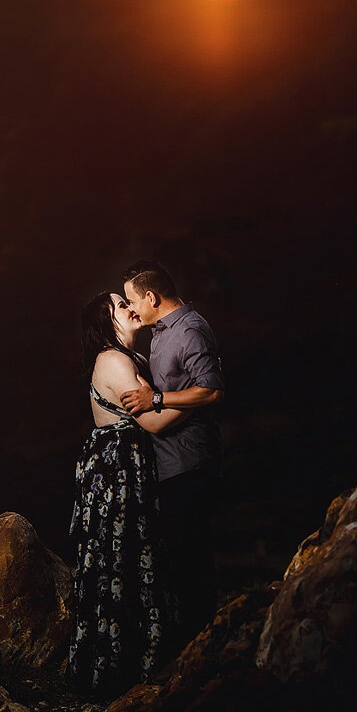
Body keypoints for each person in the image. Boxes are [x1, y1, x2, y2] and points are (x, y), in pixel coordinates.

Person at [68, 292, 185, 695]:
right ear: (107, 320)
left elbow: (154, 406)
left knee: (134, 554)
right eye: (120, 305)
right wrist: (202, 396)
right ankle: (121, 668)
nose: (131, 307)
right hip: (116, 468)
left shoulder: (131, 359)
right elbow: (154, 422)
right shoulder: (114, 360)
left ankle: (133, 660)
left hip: (127, 465)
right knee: (123, 555)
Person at [117, 261, 225, 640]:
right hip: (168, 464)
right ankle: (192, 644)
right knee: (178, 559)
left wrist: (156, 399)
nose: (131, 309)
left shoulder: (190, 330)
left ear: (151, 296)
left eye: (133, 300)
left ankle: (204, 645)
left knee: (192, 560)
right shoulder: (160, 332)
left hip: (190, 461)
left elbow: (211, 390)